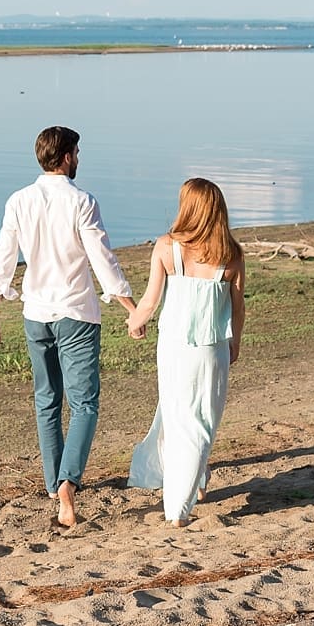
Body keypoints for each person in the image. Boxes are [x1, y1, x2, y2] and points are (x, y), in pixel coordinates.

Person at [0, 126, 137, 528]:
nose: (79, 159)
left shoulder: (18, 200)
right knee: (84, 403)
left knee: (46, 399)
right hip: (76, 314)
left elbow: (4, 257)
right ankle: (68, 483)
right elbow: (102, 259)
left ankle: (54, 483)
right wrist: (130, 307)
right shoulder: (82, 201)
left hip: (35, 314)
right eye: (78, 152)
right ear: (67, 156)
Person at [125, 177, 246, 527]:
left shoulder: (167, 248)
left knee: (179, 419)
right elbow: (238, 309)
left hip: (174, 346)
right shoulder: (231, 254)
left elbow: (150, 301)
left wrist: (135, 322)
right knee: (202, 423)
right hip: (212, 348)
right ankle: (180, 505)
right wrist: (235, 341)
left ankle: (182, 498)